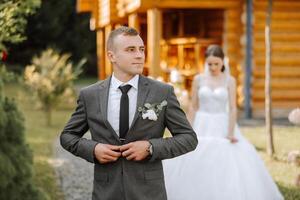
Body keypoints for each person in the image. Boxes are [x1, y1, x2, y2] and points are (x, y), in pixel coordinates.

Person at [60, 26, 198, 200]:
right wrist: (93, 149)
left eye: (141, 49)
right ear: (112, 56)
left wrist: (151, 147)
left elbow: (189, 138)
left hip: (149, 193)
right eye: (130, 50)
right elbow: (67, 136)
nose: (140, 55)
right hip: (106, 192)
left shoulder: (162, 93)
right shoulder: (90, 95)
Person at [163, 45, 284, 200]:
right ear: (205, 62)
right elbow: (193, 106)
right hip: (202, 121)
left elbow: (233, 108)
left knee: (226, 156)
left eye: (216, 64)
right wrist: (187, 130)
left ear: (222, 63)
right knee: (193, 156)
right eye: (209, 64)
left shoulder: (230, 80)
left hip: (221, 121)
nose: (213, 67)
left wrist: (230, 132)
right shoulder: (199, 79)